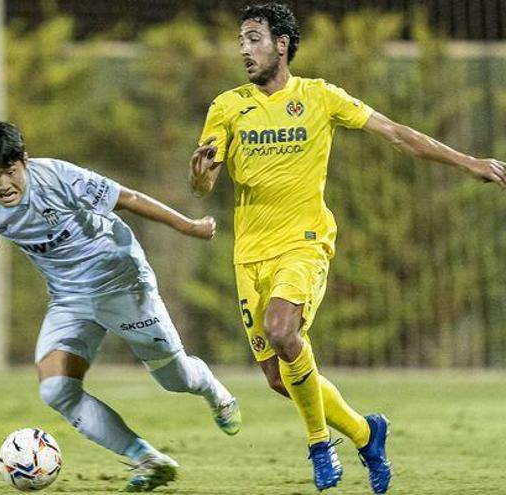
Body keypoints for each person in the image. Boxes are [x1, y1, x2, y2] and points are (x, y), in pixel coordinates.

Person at [190, 3, 506, 493]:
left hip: (305, 242)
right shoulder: (227, 106)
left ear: (281, 43)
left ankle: (320, 445)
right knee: (279, 376)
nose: (244, 50)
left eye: (253, 38)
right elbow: (204, 184)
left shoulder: (320, 97)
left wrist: (470, 163)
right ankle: (365, 432)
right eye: (240, 41)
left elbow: (399, 136)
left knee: (281, 328)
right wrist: (199, 175)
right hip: (249, 255)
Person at [0, 119, 240, 492]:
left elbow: (128, 198)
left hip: (123, 284)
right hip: (69, 299)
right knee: (56, 390)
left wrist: (187, 226)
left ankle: (213, 391)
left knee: (175, 380)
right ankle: (147, 458)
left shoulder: (59, 177)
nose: (3, 185)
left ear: (24, 161)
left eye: (11, 172)